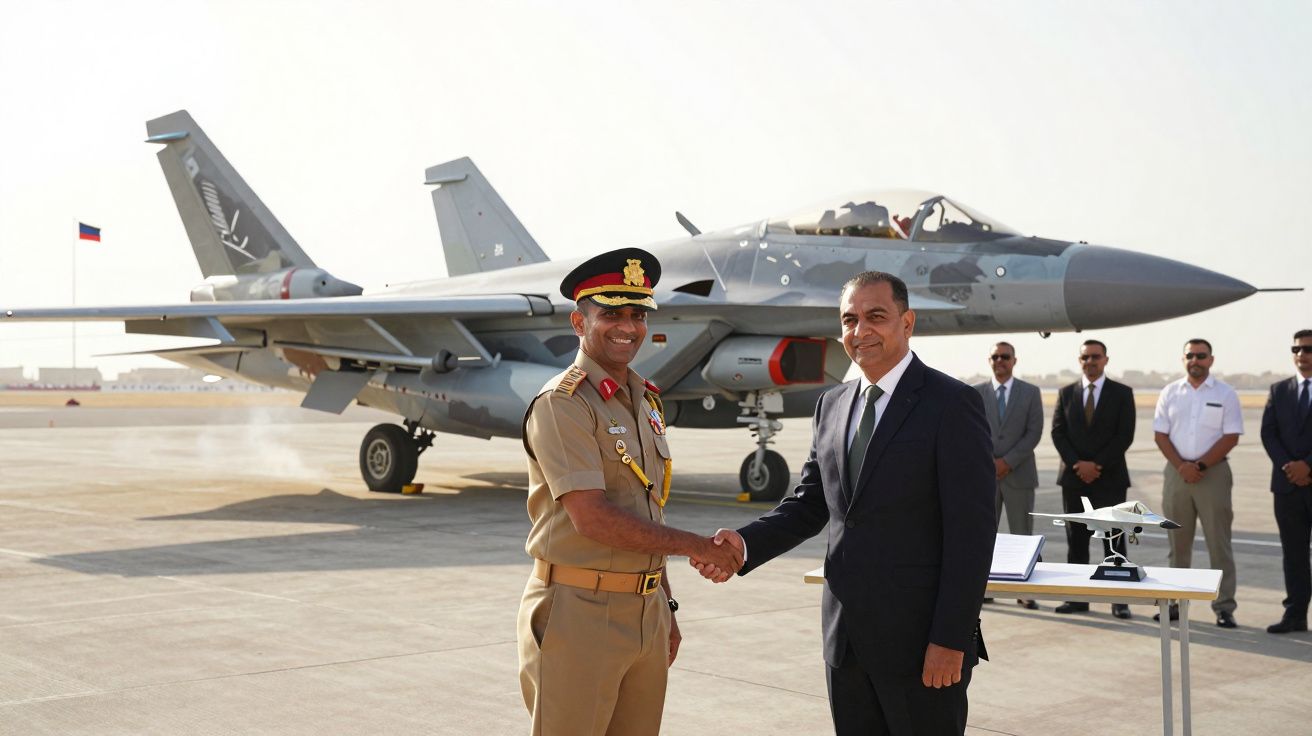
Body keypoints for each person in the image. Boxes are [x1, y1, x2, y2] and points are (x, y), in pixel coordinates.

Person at [695, 271, 995, 735]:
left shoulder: (952, 403)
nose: (861, 331)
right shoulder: (831, 405)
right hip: (846, 644)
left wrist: (951, 639)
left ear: (907, 322)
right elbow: (810, 503)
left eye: (876, 316)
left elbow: (971, 537)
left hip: (922, 646)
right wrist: (743, 544)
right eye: (849, 320)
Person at [516, 247, 742, 735]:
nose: (628, 326)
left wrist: (665, 605)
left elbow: (645, 510)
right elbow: (592, 519)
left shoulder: (644, 400)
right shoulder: (564, 404)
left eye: (637, 314)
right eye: (610, 314)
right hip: (579, 611)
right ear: (579, 322)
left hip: (645, 611)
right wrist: (698, 547)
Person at [1152, 339, 1243, 628]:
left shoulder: (1225, 393)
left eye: (1201, 356)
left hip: (1212, 474)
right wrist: (1182, 466)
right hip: (1177, 473)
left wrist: (1200, 465)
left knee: (1219, 543)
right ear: (1183, 359)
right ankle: (1175, 604)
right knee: (1177, 544)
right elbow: (1160, 435)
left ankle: (1224, 606)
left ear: (1211, 360)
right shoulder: (1170, 392)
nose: (1195, 360)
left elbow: (1231, 436)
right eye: (1190, 355)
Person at [1050, 339, 1137, 619]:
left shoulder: (1122, 393)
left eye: (1095, 357)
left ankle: (1118, 599)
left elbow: (1124, 435)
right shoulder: (1066, 393)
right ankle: (1077, 598)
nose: (1090, 362)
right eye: (1085, 357)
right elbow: (1057, 433)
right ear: (1080, 361)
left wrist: (1096, 465)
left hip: (1109, 478)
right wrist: (1078, 465)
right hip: (1075, 480)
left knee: (1114, 541)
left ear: (1106, 360)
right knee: (1076, 541)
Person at [974, 341, 1043, 610]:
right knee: (982, 536)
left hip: (1019, 474)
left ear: (1015, 360)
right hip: (984, 475)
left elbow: (1034, 432)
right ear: (989, 360)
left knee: (1022, 536)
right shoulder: (975, 393)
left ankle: (1025, 591)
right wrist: (989, 463)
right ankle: (983, 587)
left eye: (1005, 356)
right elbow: (971, 431)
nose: (1000, 361)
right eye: (995, 356)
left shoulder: (1030, 392)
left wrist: (1007, 462)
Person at [1261, 328, 1312, 634]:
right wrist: (1289, 467)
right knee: (1293, 554)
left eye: (1307, 349)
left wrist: (1308, 466)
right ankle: (1295, 615)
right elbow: (1268, 433)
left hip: (1306, 476)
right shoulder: (1279, 390)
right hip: (1287, 486)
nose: (1301, 355)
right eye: (1296, 350)